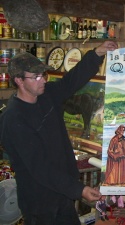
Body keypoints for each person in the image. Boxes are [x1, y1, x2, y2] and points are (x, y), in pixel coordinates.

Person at [0, 40, 118, 225]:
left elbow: (71, 81)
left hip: (62, 194)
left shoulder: (46, 95)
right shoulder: (13, 119)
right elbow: (40, 168)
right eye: (36, 76)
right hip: (40, 202)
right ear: (19, 80)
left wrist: (97, 54)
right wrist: (80, 190)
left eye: (43, 74)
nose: (44, 79)